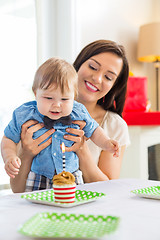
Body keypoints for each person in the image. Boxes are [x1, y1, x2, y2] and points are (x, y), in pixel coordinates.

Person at [4, 39, 130, 193]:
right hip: (38, 187)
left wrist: (84, 150)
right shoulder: (30, 115)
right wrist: (24, 155)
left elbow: (109, 190)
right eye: (92, 67)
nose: (97, 79)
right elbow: (18, 190)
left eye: (108, 77)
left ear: (114, 86)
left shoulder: (114, 125)